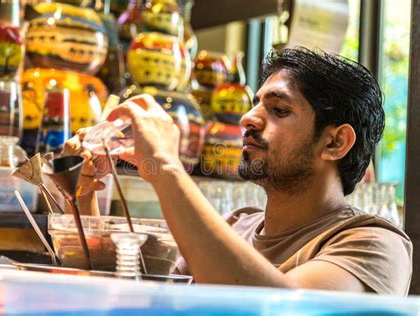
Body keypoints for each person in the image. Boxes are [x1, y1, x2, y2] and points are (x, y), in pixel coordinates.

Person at [63, 47, 412, 295]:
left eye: (278, 109)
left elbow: (279, 308)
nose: (248, 118)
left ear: (335, 143)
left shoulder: (374, 245)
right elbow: (130, 294)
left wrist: (166, 166)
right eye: (256, 104)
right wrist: (82, 194)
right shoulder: (236, 225)